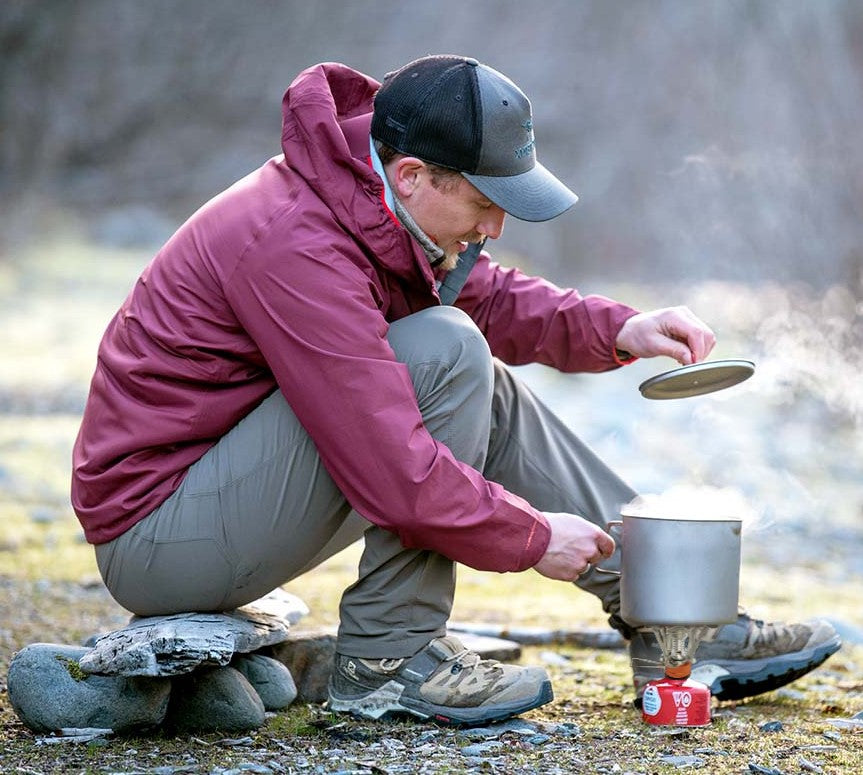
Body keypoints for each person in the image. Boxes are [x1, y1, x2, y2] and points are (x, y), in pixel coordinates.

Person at [72, 54, 840, 726]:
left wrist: (622, 327)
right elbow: (390, 469)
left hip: (219, 500)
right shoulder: (294, 244)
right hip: (161, 539)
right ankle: (389, 660)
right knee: (445, 350)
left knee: (469, 366)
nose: (496, 227)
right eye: (483, 203)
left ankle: (676, 621)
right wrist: (533, 536)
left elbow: (489, 297)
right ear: (412, 175)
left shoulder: (367, 203)